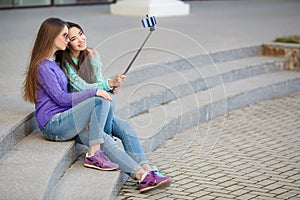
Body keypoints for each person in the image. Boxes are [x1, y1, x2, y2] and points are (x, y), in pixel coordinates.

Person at [23, 17, 171, 193]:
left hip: (68, 118)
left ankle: (143, 174)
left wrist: (104, 88)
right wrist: (95, 92)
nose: (66, 39)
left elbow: (72, 95)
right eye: (65, 36)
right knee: (100, 100)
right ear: (51, 37)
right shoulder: (43, 67)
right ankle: (94, 154)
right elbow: (62, 98)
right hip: (53, 124)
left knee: (117, 131)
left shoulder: (52, 63)